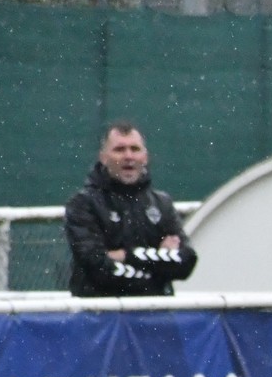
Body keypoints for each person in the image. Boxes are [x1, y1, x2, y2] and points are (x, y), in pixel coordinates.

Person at [65, 121, 199, 297]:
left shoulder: (162, 203)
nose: (128, 156)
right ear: (103, 157)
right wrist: (158, 265)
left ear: (145, 157)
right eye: (119, 149)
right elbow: (95, 266)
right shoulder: (84, 203)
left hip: (156, 310)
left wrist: (124, 256)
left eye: (135, 149)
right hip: (102, 311)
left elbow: (186, 261)